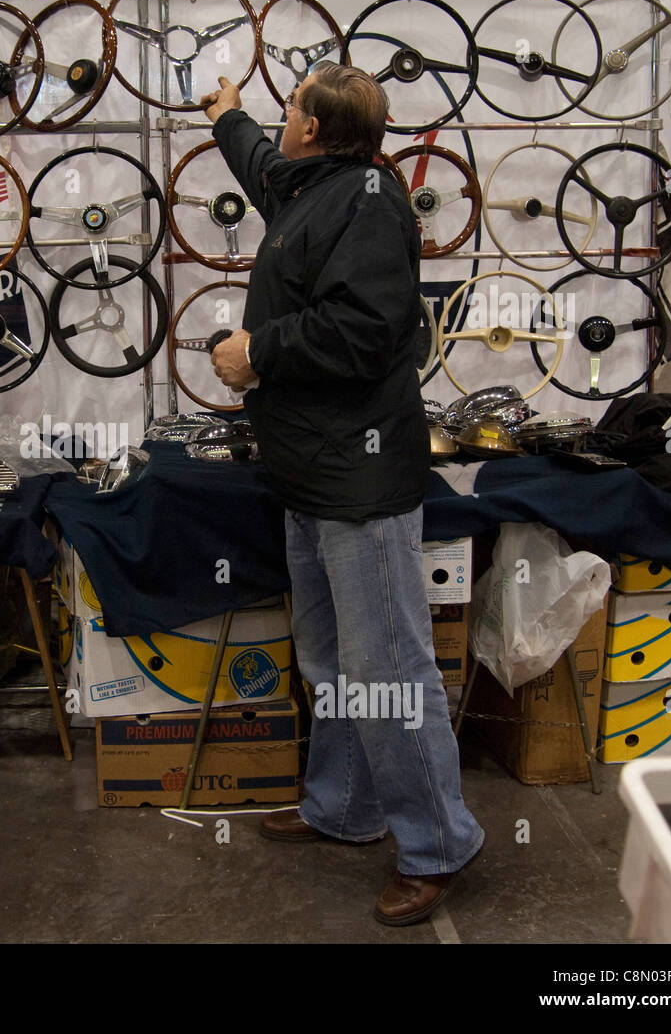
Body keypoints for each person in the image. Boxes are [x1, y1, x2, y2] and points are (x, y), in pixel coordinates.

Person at [200, 64, 483, 927]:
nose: (279, 124)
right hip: (310, 476)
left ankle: (437, 841)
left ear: (315, 130)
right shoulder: (311, 182)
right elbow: (260, 165)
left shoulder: (365, 201)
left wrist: (259, 351)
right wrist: (228, 116)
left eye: (287, 111)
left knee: (388, 673)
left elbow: (362, 333)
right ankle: (346, 806)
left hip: (359, 484)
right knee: (331, 665)